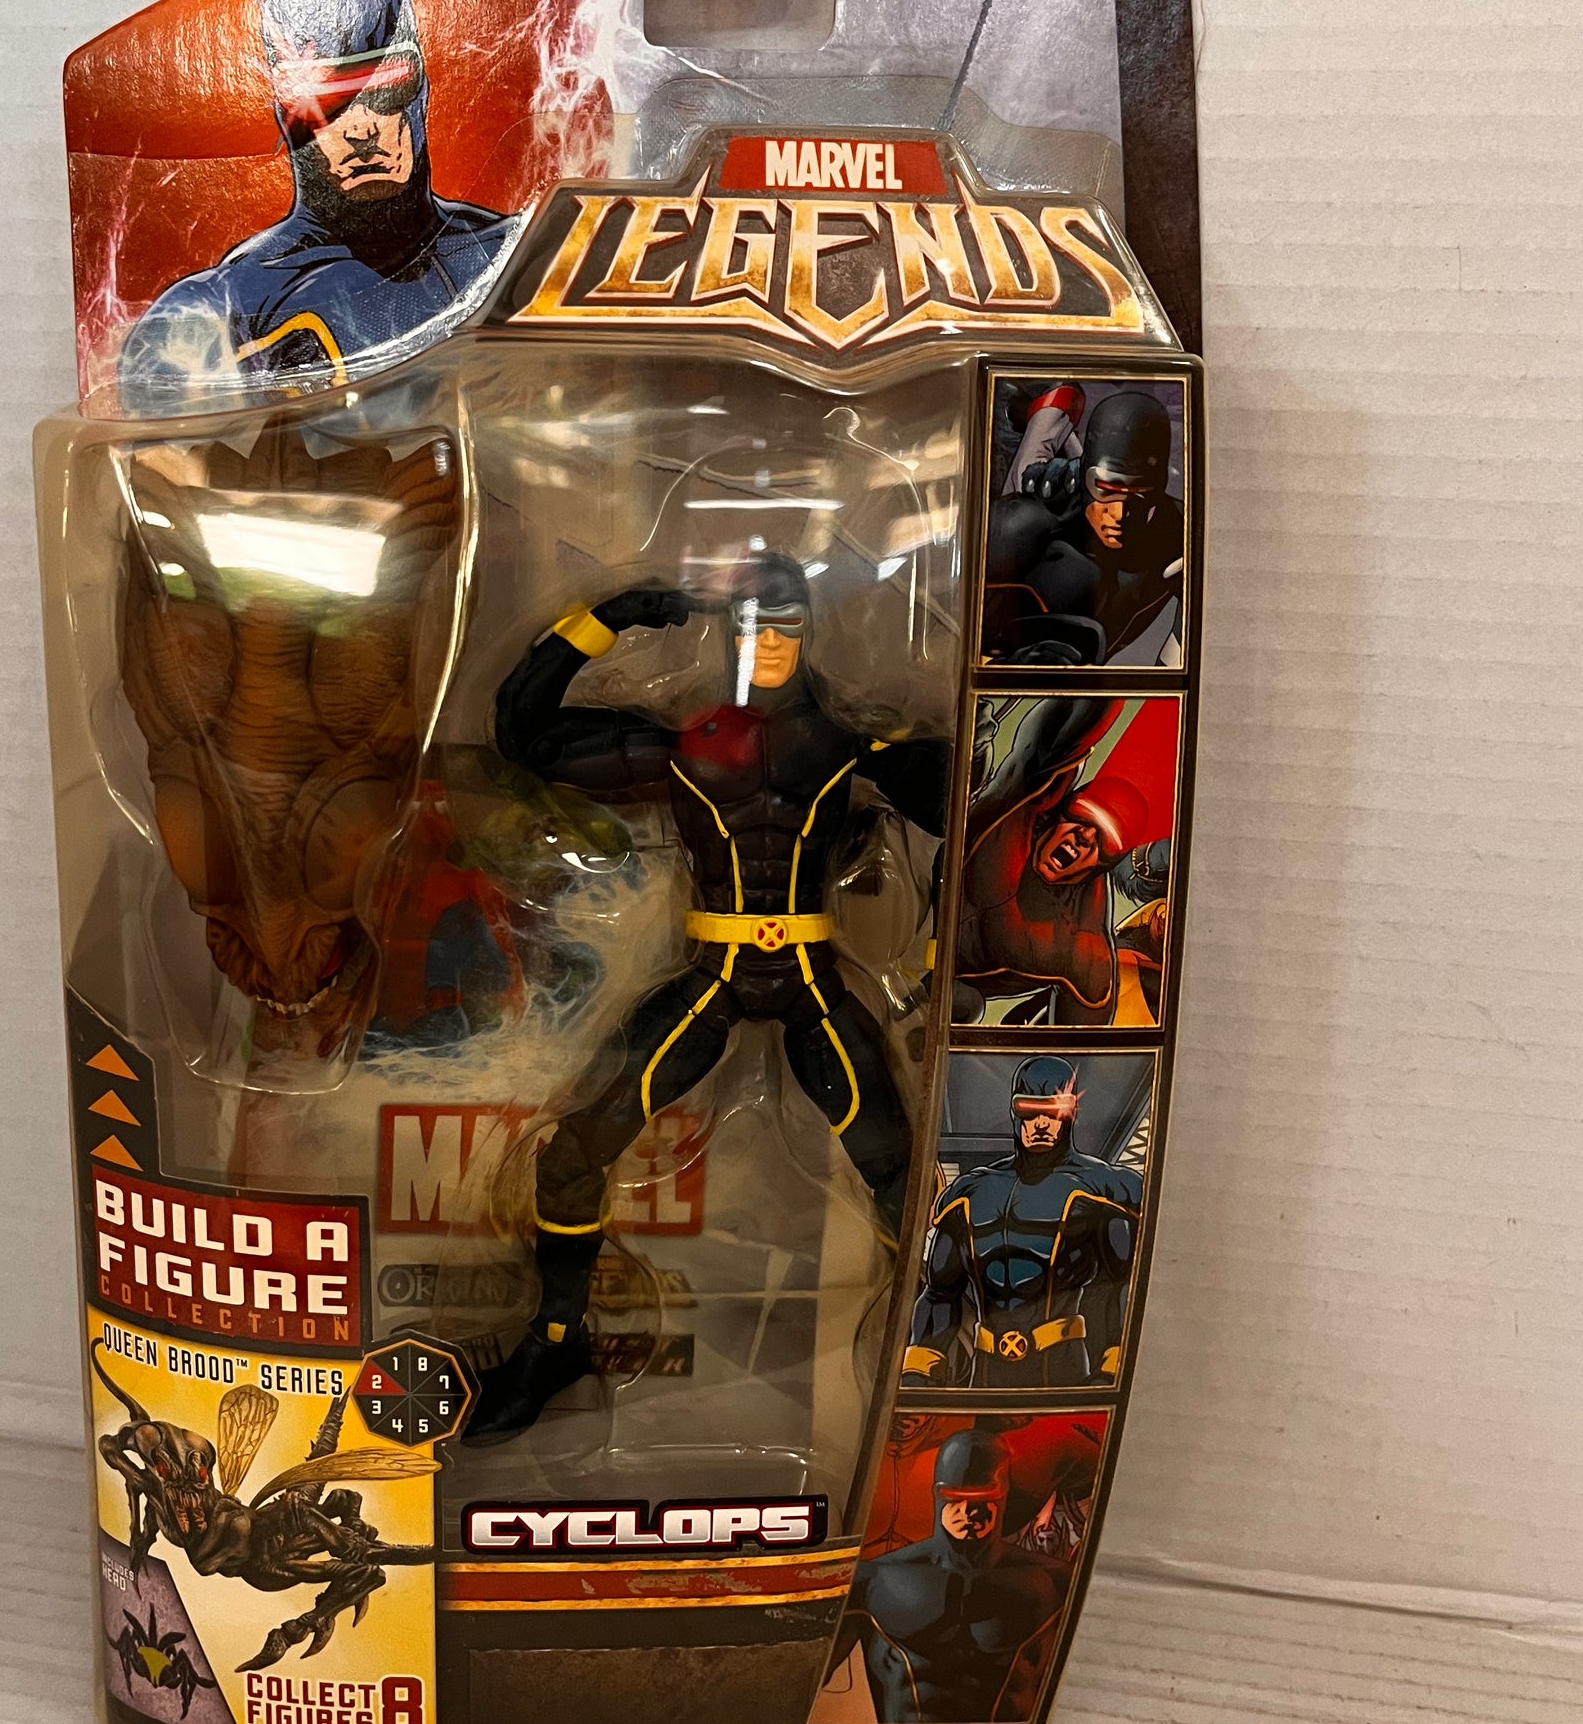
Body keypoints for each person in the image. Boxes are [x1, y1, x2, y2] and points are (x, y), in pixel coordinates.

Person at [467, 550, 948, 1444]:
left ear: (809, 633)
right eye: (755, 628)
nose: (771, 645)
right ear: (731, 634)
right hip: (714, 979)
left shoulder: (843, 743)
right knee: (572, 1153)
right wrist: (608, 617)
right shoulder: (692, 744)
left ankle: (935, 1332)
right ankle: (557, 1340)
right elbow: (526, 735)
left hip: (811, 982)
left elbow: (978, 800)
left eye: (788, 628)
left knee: (898, 1167)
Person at [118, 0, 517, 408]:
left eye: (384, 87)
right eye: (326, 101)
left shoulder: (509, 253)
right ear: (286, 117)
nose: (361, 128)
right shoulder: (225, 306)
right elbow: (167, 448)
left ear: (420, 91)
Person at [905, 1057, 1138, 1388]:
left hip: (1062, 1368)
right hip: (986, 1371)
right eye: (1030, 1110)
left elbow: (1118, 1286)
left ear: (1071, 1111)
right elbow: (941, 1292)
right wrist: (919, 1367)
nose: (1041, 1123)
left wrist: (1112, 1368)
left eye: (1053, 1110)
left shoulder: (1102, 1189)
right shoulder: (970, 1194)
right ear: (1015, 1111)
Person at [834, 1427, 1082, 1724]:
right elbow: (806, 1681)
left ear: (1002, 1495)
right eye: (954, 1497)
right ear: (938, 1495)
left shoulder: (1055, 1583)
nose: (967, 1512)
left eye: (980, 1497)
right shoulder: (875, 1579)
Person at [955, 697, 1170, 1026]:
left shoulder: (1080, 944)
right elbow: (1067, 726)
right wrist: (1103, 681)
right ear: (1064, 810)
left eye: (1103, 841)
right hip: (915, 881)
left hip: (940, 990)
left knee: (963, 1005)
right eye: (1083, 816)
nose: (1085, 836)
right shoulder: (1020, 812)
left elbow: (1082, 1040)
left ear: (1102, 865)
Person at [983, 386, 1184, 665]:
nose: (1119, 513)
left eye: (1139, 495)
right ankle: (1054, 409)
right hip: (1043, 513)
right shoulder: (1029, 521)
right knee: (1030, 480)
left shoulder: (1179, 535)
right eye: (1106, 490)